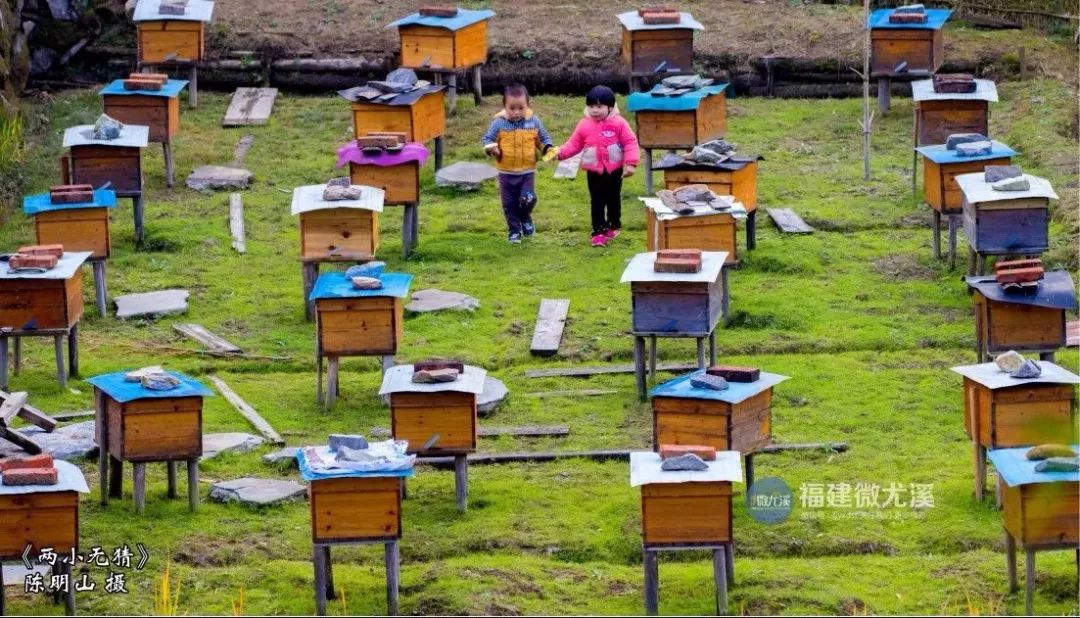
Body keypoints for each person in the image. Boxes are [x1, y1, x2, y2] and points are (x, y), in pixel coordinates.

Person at [546, 85, 639, 247]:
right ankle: (598, 232)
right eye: (591, 106)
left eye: (599, 106)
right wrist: (557, 153)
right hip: (594, 171)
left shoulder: (619, 123)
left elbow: (630, 142)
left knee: (613, 199)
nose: (595, 110)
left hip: (614, 170)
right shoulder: (584, 125)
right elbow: (573, 144)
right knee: (596, 201)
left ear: (610, 107)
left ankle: (613, 224)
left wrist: (630, 164)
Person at [481, 83, 554, 244]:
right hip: (505, 173)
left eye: (520, 108)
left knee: (528, 198)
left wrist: (548, 150)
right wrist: (492, 149)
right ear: (504, 106)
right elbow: (487, 140)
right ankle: (514, 230)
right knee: (509, 204)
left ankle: (525, 217)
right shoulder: (499, 123)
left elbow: (544, 139)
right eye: (512, 108)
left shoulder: (534, 122)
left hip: (527, 172)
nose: (516, 112)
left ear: (527, 105)